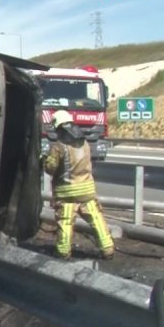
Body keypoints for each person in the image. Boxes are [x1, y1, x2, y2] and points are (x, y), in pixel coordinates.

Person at [43, 110, 114, 260]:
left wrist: (43, 159)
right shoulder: (85, 144)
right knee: (96, 219)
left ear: (59, 127)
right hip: (87, 191)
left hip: (67, 193)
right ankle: (108, 249)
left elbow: (50, 168)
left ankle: (63, 252)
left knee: (66, 222)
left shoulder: (59, 147)